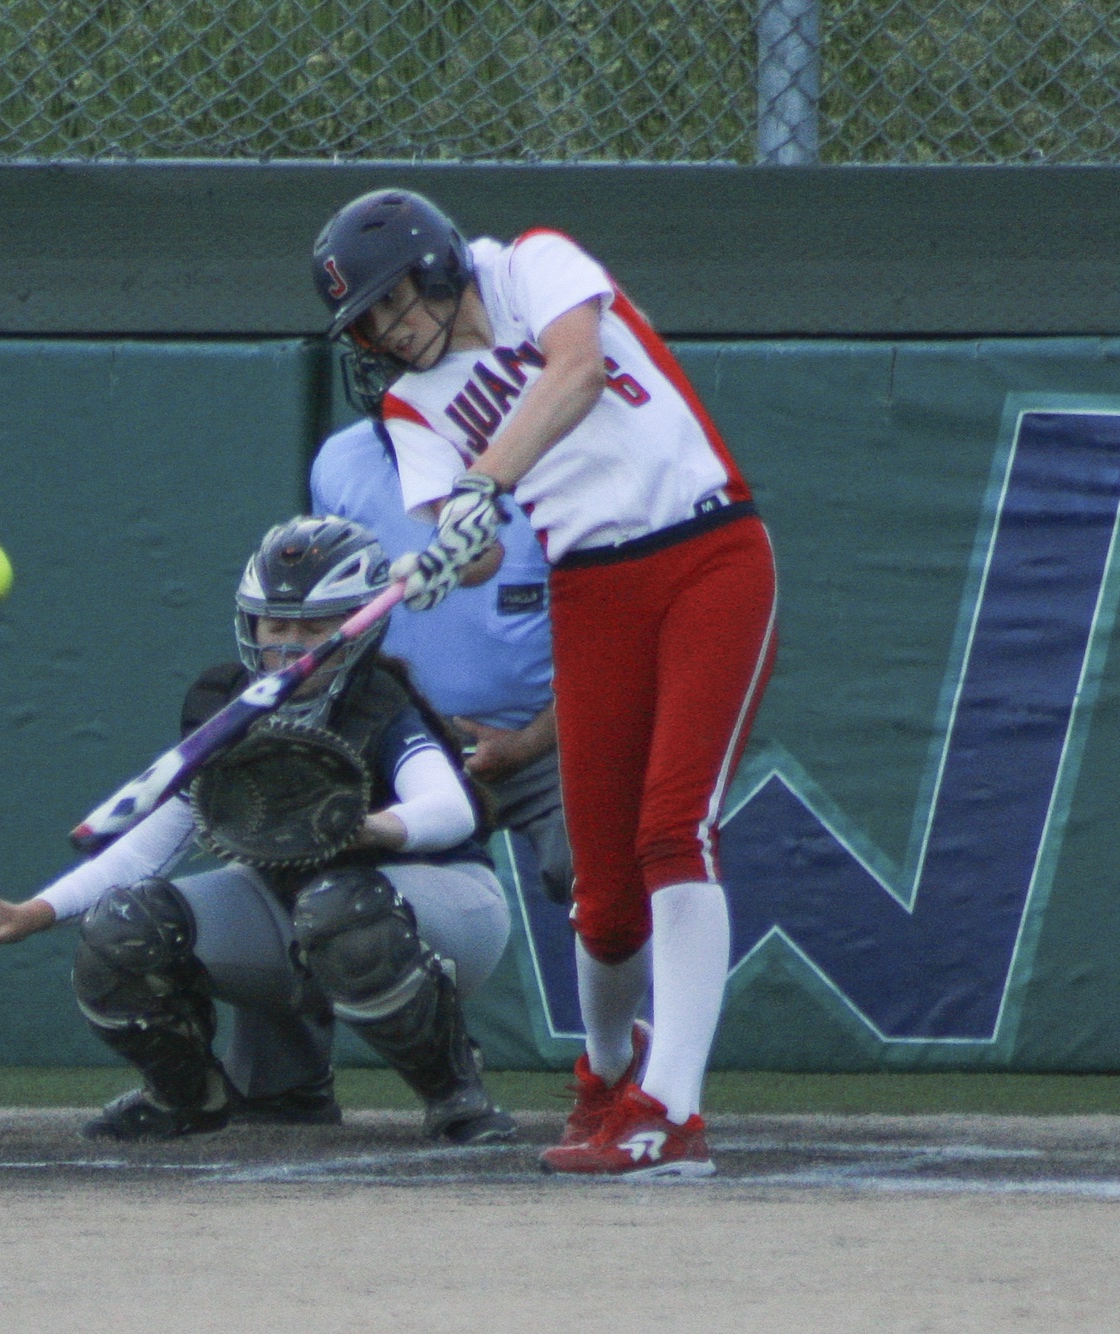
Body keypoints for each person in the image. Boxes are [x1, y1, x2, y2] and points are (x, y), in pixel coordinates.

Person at [312, 189, 777, 1178]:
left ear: (437, 266)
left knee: (672, 829)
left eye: (396, 303)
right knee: (603, 892)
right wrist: (445, 553)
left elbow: (579, 369)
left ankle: (672, 1107)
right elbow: (467, 543)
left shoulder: (531, 264)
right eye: (372, 325)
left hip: (705, 552)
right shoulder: (407, 402)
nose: (393, 333)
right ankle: (608, 1072)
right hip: (589, 587)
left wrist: (481, 486)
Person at [0, 516, 517, 1145]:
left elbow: (451, 810)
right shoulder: (228, 707)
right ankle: (189, 1095)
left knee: (339, 905)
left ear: (358, 626)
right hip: (300, 909)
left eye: (314, 626)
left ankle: (454, 1092)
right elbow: (150, 847)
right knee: (122, 926)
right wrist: (39, 910)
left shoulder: (378, 701)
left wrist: (367, 830)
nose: (292, 644)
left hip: (442, 901)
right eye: (277, 625)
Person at [309, 415, 571, 905]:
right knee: (354, 903)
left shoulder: (555, 451)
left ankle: (637, 984)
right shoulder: (343, 459)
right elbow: (330, 618)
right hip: (401, 742)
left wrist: (526, 745)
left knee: (606, 880)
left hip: (550, 744)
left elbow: (609, 645)